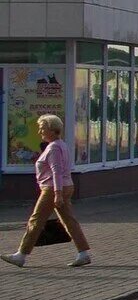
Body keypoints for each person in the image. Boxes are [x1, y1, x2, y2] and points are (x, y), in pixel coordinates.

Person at [5, 114, 93, 268]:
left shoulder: (53, 148)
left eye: (42, 128)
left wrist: (57, 194)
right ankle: (83, 253)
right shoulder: (61, 145)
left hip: (53, 188)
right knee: (68, 220)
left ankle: (21, 255)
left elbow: (56, 171)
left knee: (36, 220)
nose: (40, 132)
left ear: (52, 130)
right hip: (64, 186)